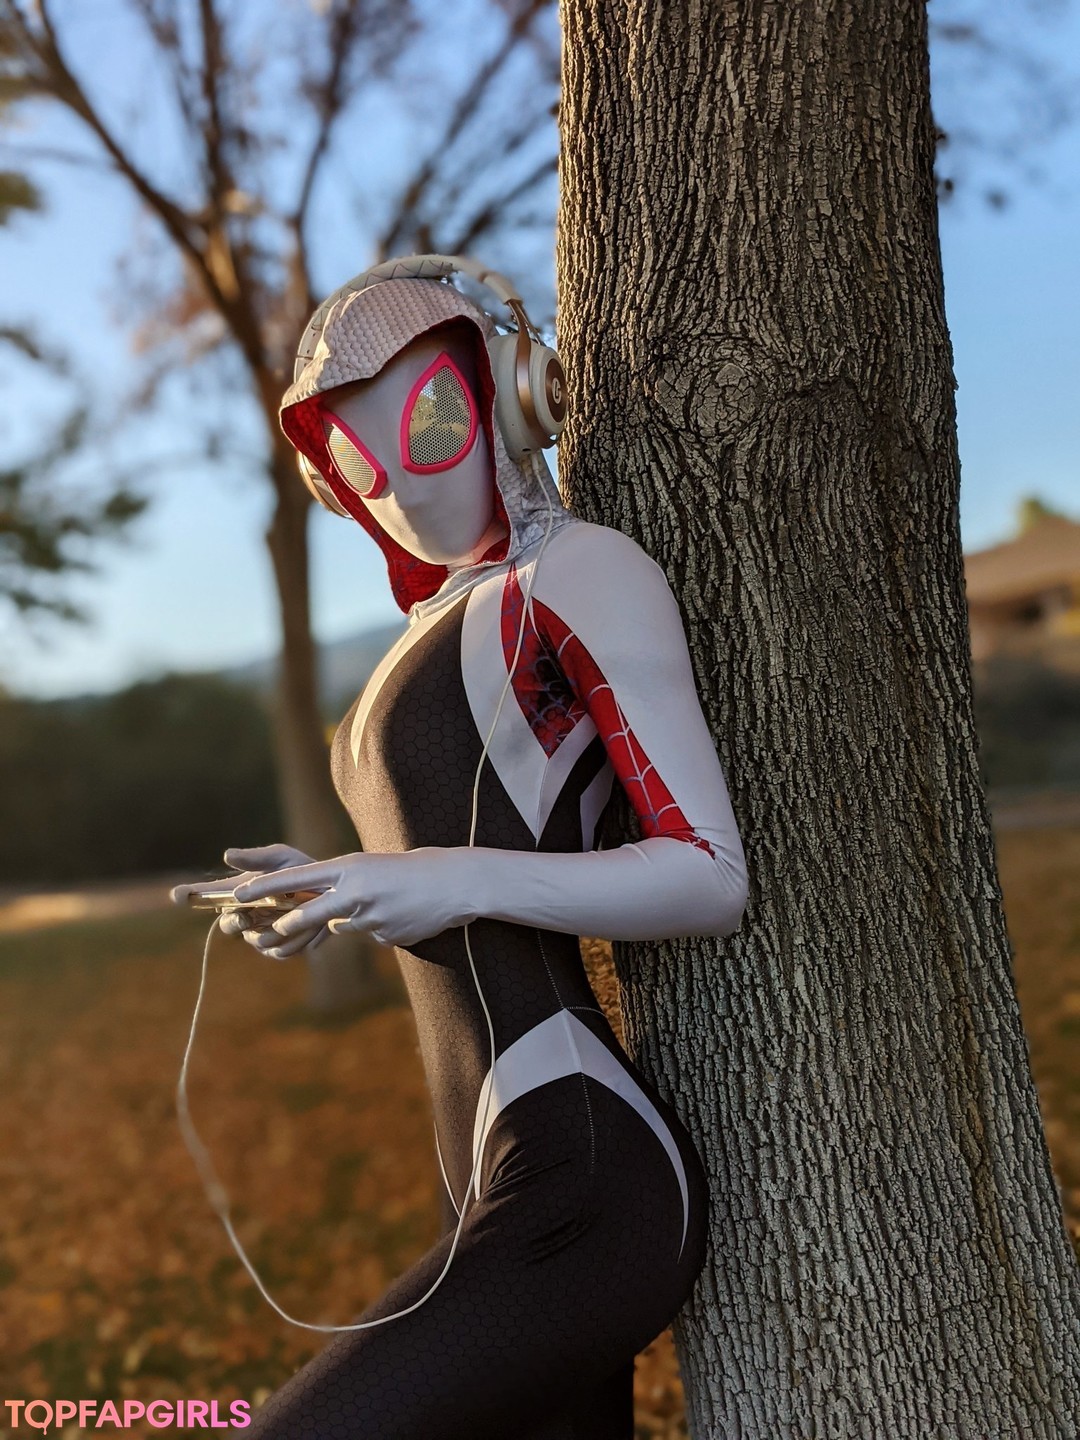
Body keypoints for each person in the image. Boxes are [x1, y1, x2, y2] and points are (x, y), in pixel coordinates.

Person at [173, 260, 749, 1439]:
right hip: (484, 1180)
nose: (393, 478)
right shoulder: (428, 629)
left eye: (429, 419)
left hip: (579, 1182)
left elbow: (708, 872)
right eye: (354, 458)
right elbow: (445, 839)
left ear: (510, 394)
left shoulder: (578, 573)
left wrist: (442, 879)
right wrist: (330, 885)